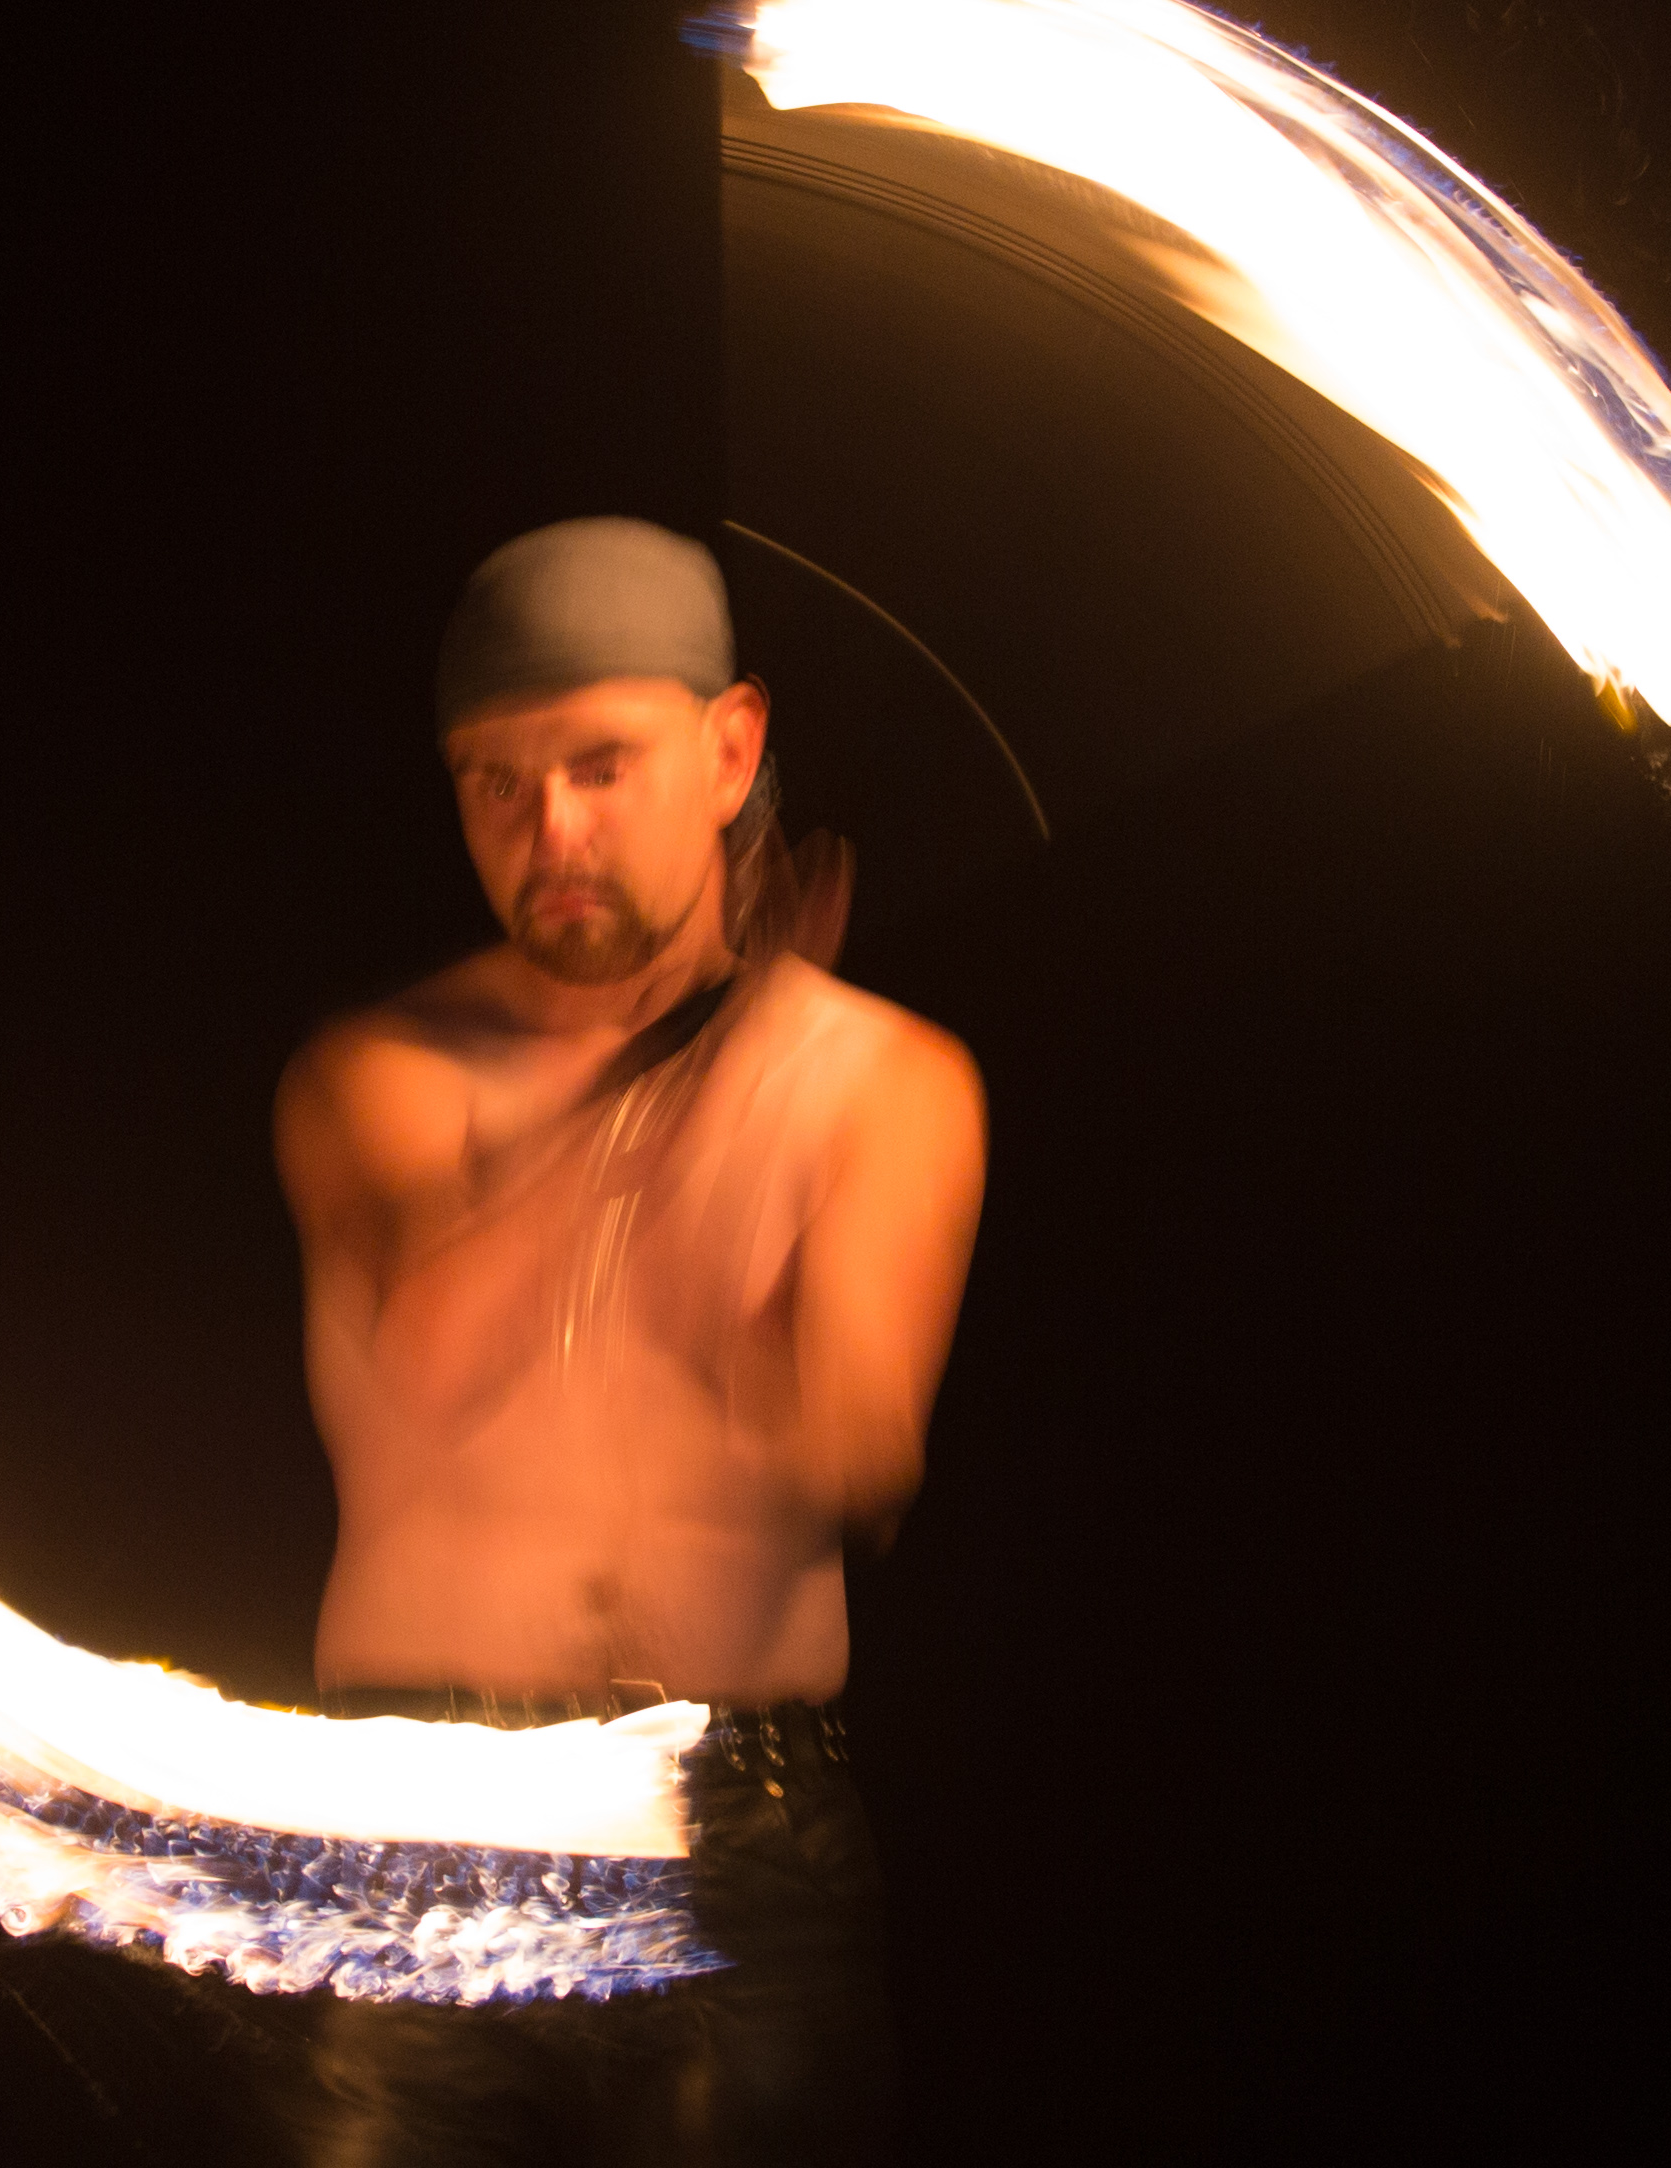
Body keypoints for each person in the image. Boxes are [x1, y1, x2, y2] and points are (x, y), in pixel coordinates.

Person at [275, 518, 986, 2164]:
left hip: (742, 1833)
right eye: (495, 783)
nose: (553, 833)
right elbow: (437, 1361)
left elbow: (857, 1451)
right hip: (429, 1823)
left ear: (728, 751)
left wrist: (735, 1091)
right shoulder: (383, 1072)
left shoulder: (886, 1084)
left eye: (602, 766)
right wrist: (680, 1079)